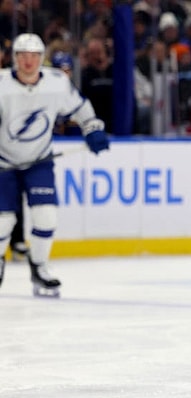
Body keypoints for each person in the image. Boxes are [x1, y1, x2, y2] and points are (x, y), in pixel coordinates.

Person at [0, 33, 110, 297]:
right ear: (15, 58)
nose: (28, 61)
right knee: (3, 221)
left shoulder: (57, 82)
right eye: (23, 56)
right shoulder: (2, 84)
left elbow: (81, 108)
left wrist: (93, 128)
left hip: (39, 161)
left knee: (46, 215)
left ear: (42, 58)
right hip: (4, 163)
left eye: (34, 56)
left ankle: (39, 268)